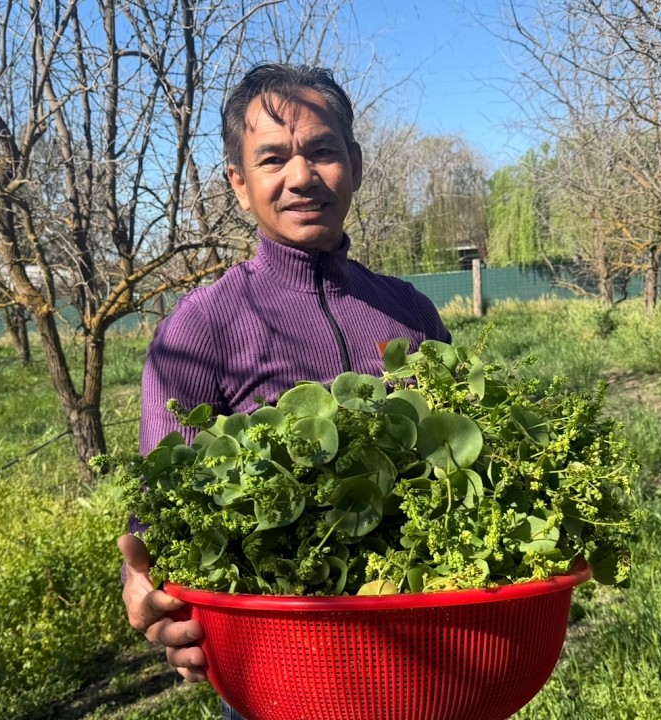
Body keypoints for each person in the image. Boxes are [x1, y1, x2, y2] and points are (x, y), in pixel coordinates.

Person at [116, 62, 452, 719]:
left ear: (353, 164)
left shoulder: (410, 312)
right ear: (240, 186)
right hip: (282, 673)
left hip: (427, 659)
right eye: (273, 158)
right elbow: (162, 509)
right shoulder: (199, 327)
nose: (301, 177)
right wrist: (146, 587)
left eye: (322, 151)